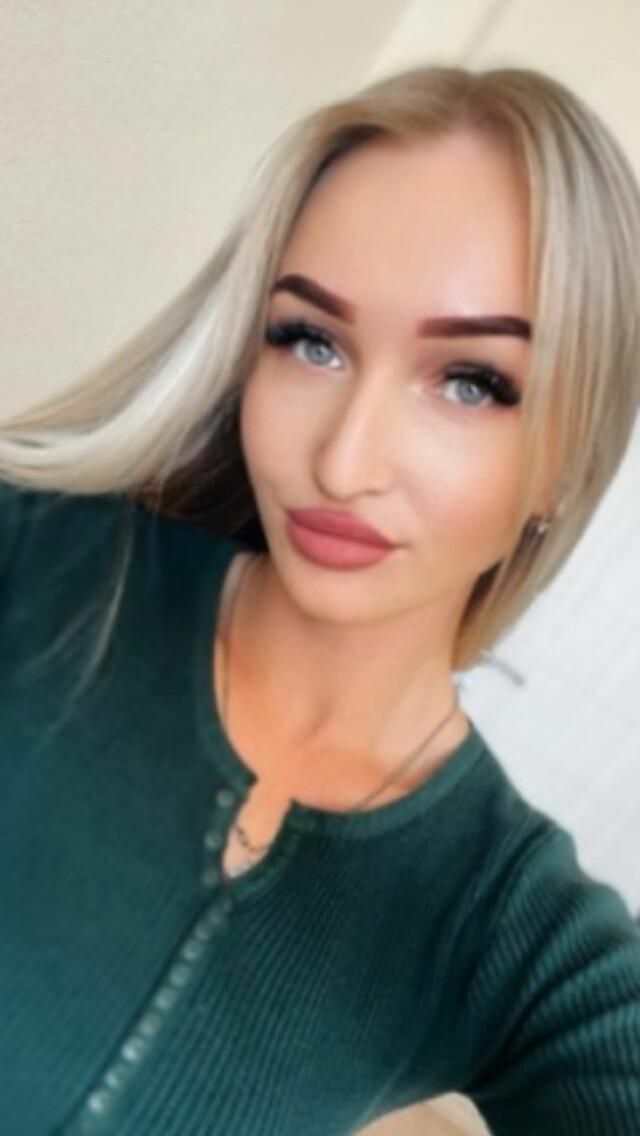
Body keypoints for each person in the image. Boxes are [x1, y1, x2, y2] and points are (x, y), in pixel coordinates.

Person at [0, 62, 639, 1136]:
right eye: (313, 341)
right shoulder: (34, 563)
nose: (344, 464)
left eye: (470, 381)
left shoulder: (511, 928)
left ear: (567, 464)